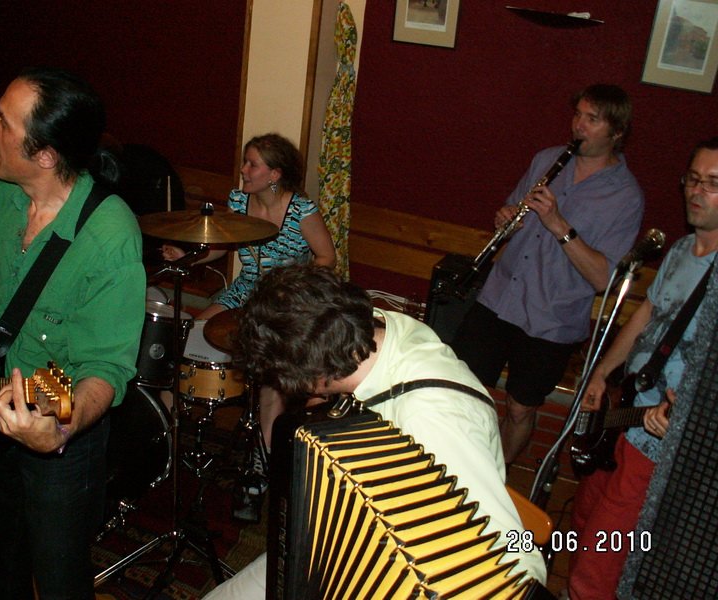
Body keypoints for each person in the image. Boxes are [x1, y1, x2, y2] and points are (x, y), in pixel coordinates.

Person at [203, 264, 547, 599]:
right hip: (349, 535)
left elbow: (516, 563)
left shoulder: (430, 418)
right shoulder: (377, 329)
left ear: (312, 378)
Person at [0, 67, 146, 599]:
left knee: (58, 576)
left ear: (45, 155)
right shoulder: (2, 196)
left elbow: (106, 369)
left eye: (3, 122)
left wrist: (59, 431)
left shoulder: (109, 236)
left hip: (59, 413)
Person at [452, 84, 644, 464]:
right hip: (500, 297)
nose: (579, 126)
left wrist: (558, 223)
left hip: (552, 319)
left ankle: (496, 475)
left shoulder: (625, 197)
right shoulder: (547, 160)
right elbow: (514, 212)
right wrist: (506, 218)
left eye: (592, 119)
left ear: (617, 132)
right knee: (458, 388)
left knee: (520, 408)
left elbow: (603, 279)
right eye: (578, 115)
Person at [566, 137, 718, 600]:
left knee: (600, 563)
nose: (697, 191)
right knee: (581, 523)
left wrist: (687, 413)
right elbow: (645, 317)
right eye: (693, 179)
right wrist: (600, 374)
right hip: (625, 412)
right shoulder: (680, 249)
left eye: (713, 183)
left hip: (657, 440)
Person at [162, 133, 336, 451]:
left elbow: (327, 257)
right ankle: (165, 432)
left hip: (286, 300)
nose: (243, 169)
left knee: (270, 378)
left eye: (252, 164)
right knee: (190, 335)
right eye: (245, 162)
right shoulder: (239, 201)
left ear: (274, 174)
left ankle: (264, 454)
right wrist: (187, 256)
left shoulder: (301, 210)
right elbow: (223, 245)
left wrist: (296, 285)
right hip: (245, 290)